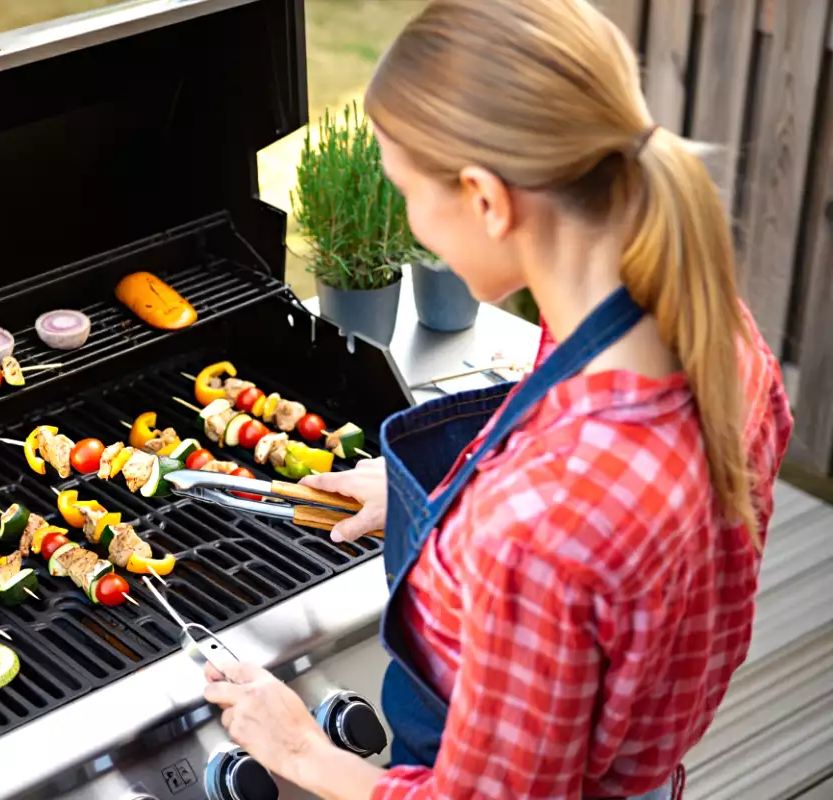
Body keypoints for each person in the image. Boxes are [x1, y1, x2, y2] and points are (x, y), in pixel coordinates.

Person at [200, 0, 794, 797]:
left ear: (485, 198)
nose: (408, 223)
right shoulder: (716, 335)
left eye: (406, 191)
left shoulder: (539, 531)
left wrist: (303, 750)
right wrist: (443, 496)